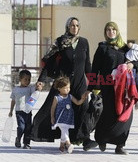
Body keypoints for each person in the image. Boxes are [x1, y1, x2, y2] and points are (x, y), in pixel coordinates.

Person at [31, 17, 98, 151]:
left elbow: (88, 65)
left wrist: (94, 84)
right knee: (55, 109)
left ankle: (84, 139)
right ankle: (32, 132)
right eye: (72, 25)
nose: (74, 27)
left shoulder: (84, 42)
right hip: (63, 84)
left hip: (79, 83)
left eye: (77, 25)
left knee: (83, 107)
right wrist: (41, 80)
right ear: (68, 27)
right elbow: (48, 62)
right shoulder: (60, 42)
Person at [83, 21, 138, 155]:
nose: (111, 32)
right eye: (108, 30)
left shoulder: (124, 48)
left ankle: (120, 145)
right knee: (108, 114)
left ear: (117, 31)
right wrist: (90, 88)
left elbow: (136, 61)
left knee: (126, 116)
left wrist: (132, 64)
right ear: (105, 32)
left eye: (113, 29)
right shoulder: (102, 48)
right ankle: (101, 139)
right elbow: (95, 69)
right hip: (107, 87)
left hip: (123, 88)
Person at [51, 76, 86, 153]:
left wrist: (82, 99)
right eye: (66, 88)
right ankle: (68, 144)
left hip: (68, 117)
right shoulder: (57, 98)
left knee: (65, 131)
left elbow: (77, 102)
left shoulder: (70, 96)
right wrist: (52, 117)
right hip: (60, 118)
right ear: (59, 88)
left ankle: (61, 146)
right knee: (64, 130)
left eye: (69, 87)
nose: (68, 89)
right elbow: (53, 108)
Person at [8, 69, 42, 149]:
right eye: (25, 79)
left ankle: (26, 143)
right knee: (21, 127)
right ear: (20, 79)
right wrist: (10, 111)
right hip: (19, 112)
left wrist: (39, 86)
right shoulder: (15, 89)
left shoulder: (30, 88)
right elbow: (13, 100)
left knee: (28, 128)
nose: (27, 81)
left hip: (28, 111)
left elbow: (36, 91)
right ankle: (18, 139)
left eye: (29, 79)